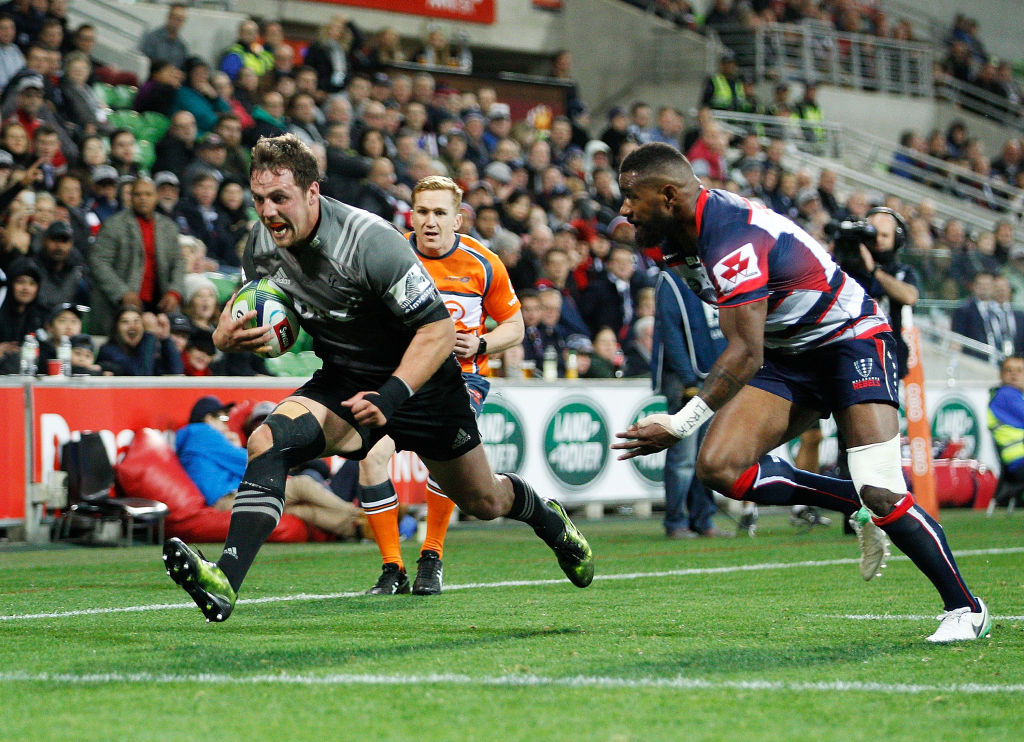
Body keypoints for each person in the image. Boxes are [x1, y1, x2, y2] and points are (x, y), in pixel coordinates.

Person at [162, 134, 593, 623]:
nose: (267, 211)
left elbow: (438, 329)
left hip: (423, 384)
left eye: (279, 198)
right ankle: (225, 580)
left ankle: (547, 518)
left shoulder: (370, 240)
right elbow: (259, 306)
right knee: (268, 439)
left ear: (311, 193)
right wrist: (225, 336)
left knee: (484, 498)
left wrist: (392, 395)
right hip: (345, 379)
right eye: (260, 199)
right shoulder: (261, 244)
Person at [612, 142, 990, 643]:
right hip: (787, 354)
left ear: (667, 195)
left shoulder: (732, 237)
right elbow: (744, 336)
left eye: (630, 197)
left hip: (849, 340)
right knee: (720, 467)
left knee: (880, 486)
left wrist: (680, 423)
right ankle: (861, 505)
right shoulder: (661, 238)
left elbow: (743, 352)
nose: (622, 209)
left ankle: (966, 608)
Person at [357, 175, 525, 595]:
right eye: (422, 212)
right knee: (371, 458)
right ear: (411, 214)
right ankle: (392, 568)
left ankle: (431, 556)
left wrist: (482, 341)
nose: (429, 221)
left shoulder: (483, 262)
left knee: (442, 459)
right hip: (400, 377)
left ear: (457, 218)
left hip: (460, 378)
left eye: (439, 213)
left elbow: (515, 326)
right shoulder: (390, 256)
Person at [175, 396, 362, 538]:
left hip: (231, 499)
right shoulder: (200, 432)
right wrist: (231, 445)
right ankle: (363, 518)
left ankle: (358, 530)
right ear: (208, 418)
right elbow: (252, 461)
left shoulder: (195, 441)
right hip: (231, 498)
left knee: (301, 511)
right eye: (223, 419)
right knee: (303, 484)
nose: (226, 426)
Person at [651, 268, 728, 538]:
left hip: (709, 375)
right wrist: (687, 380)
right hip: (685, 377)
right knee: (684, 455)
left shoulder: (707, 274)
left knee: (703, 453)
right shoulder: (671, 279)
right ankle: (676, 521)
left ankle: (703, 518)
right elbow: (670, 333)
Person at [89, 176, 185, 335]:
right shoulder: (114, 225)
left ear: (156, 197)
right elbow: (99, 262)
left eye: (148, 194)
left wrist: (174, 292)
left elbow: (178, 262)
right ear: (130, 197)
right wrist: (122, 293)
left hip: (159, 302)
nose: (143, 199)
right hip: (121, 303)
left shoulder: (168, 227)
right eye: (138, 194)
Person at [139, 3, 189, 69]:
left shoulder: (182, 47)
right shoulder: (152, 38)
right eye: (175, 18)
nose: (177, 22)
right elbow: (144, 64)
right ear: (168, 17)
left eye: (180, 19)